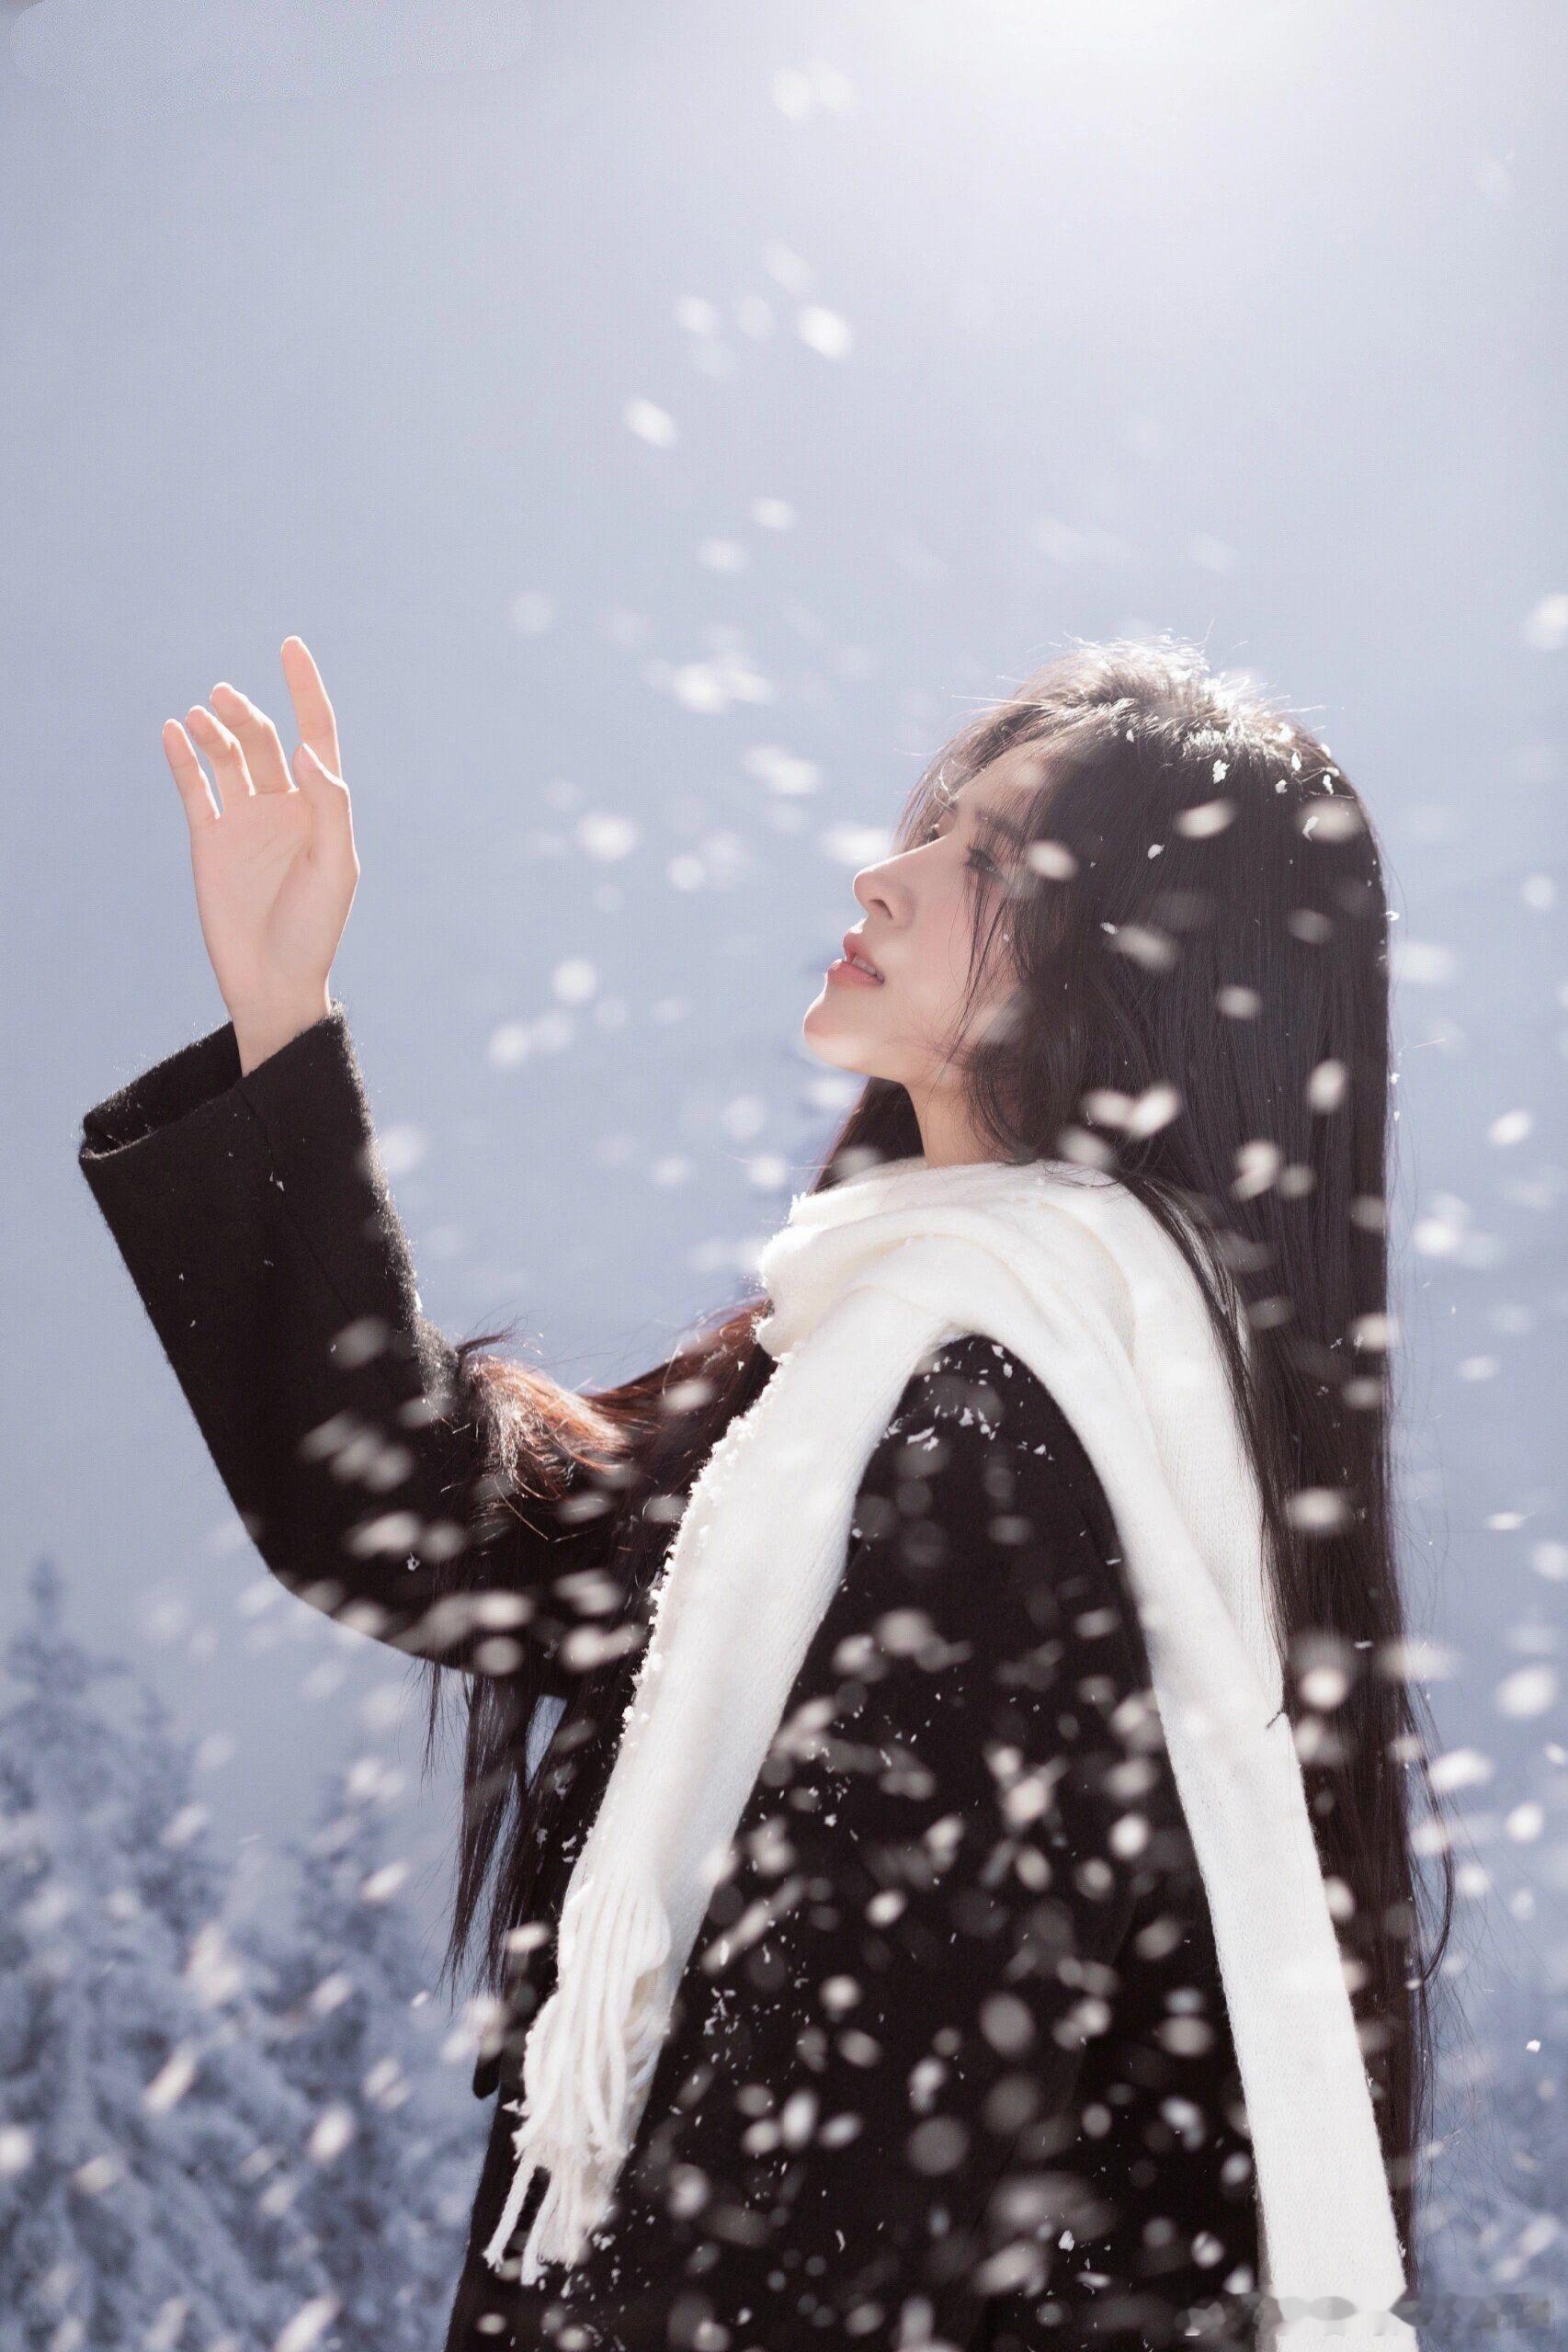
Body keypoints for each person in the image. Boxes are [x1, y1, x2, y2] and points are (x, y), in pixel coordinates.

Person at [78, 634, 1451, 2351]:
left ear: (1145, 971)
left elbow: (867, 2133)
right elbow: (450, 1534)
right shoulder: (918, 1357)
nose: (886, 872)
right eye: (933, 823)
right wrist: (283, 1012)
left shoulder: (1004, 1434)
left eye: (991, 860)